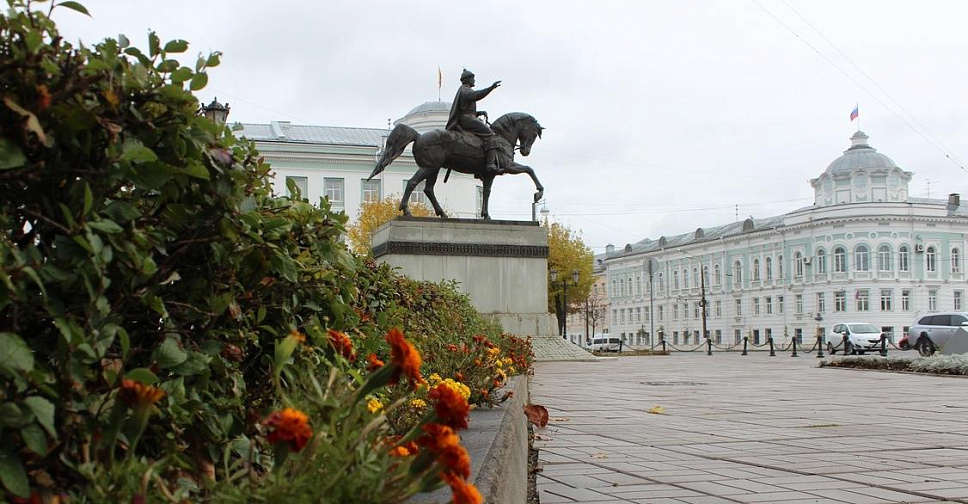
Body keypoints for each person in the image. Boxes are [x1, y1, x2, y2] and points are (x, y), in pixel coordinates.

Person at [445, 69, 502, 174]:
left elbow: (465, 108)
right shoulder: (466, 90)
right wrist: (491, 88)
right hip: (467, 120)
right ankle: (490, 164)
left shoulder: (463, 90)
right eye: (473, 78)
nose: (474, 80)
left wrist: (478, 113)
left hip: (468, 117)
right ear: (468, 79)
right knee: (490, 134)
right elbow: (477, 95)